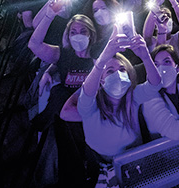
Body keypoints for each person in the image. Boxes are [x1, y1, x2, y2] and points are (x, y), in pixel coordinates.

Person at [61, 25, 161, 187]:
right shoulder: (92, 105)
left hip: (137, 163)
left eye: (122, 69)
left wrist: (145, 56)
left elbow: (155, 84)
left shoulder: (133, 97)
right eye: (110, 71)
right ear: (100, 79)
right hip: (103, 168)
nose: (118, 74)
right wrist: (102, 60)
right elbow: (85, 95)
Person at [28, 14, 98, 186]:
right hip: (67, 110)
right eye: (73, 32)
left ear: (91, 34)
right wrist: (50, 15)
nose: (78, 35)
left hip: (90, 109)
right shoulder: (62, 53)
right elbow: (34, 45)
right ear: (68, 35)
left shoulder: (98, 55)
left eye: (83, 31)